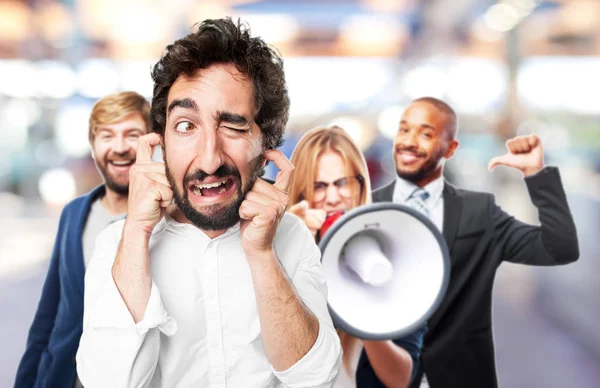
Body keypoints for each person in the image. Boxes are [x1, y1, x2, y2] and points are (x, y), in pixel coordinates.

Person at [75, 18, 341, 388]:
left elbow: (316, 378)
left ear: (266, 150)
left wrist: (262, 253)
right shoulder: (117, 244)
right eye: (186, 126)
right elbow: (108, 382)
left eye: (233, 126)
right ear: (160, 143)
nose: (209, 160)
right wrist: (137, 230)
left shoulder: (292, 236)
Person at [372, 97, 579, 388]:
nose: (409, 141)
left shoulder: (479, 213)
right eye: (404, 130)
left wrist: (537, 175)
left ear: (451, 148)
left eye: (426, 134)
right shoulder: (365, 210)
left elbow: (559, 248)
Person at [14, 91, 151, 388]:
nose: (119, 147)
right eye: (107, 136)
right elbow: (48, 312)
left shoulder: (164, 221)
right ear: (93, 147)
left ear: (152, 143)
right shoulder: (75, 213)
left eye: (132, 135)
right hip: (63, 377)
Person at [287, 125, 426, 388]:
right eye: (318, 186)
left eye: (342, 183)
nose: (331, 198)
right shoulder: (275, 251)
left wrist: (363, 313)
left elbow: (402, 379)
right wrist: (285, 252)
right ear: (300, 192)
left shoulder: (395, 256)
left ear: (361, 185)